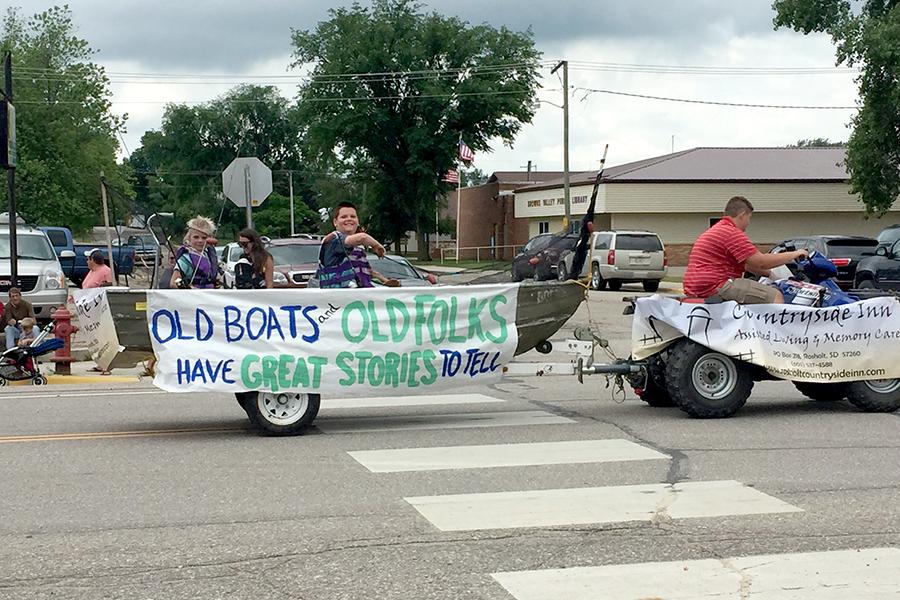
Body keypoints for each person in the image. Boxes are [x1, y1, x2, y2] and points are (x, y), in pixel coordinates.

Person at [683, 196, 808, 304]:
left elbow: (747, 264)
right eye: (749, 218)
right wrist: (796, 253)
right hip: (716, 284)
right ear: (742, 215)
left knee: (752, 291)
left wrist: (770, 274)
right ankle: (771, 332)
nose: (748, 223)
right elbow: (761, 261)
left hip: (696, 285)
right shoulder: (731, 232)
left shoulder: (717, 229)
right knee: (775, 295)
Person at [317, 202, 387, 288]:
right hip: (339, 296)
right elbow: (362, 237)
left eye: (353, 216)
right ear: (335, 222)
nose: (349, 219)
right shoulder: (333, 239)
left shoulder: (358, 247)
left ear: (358, 221)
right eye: (344, 217)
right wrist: (377, 246)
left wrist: (385, 280)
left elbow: (365, 270)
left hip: (360, 296)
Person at [170, 216, 219, 289]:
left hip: (209, 296)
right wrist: (189, 288)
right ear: (189, 238)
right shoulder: (186, 258)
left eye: (204, 238)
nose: (200, 241)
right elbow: (174, 281)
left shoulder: (208, 256)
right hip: (193, 297)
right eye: (196, 237)